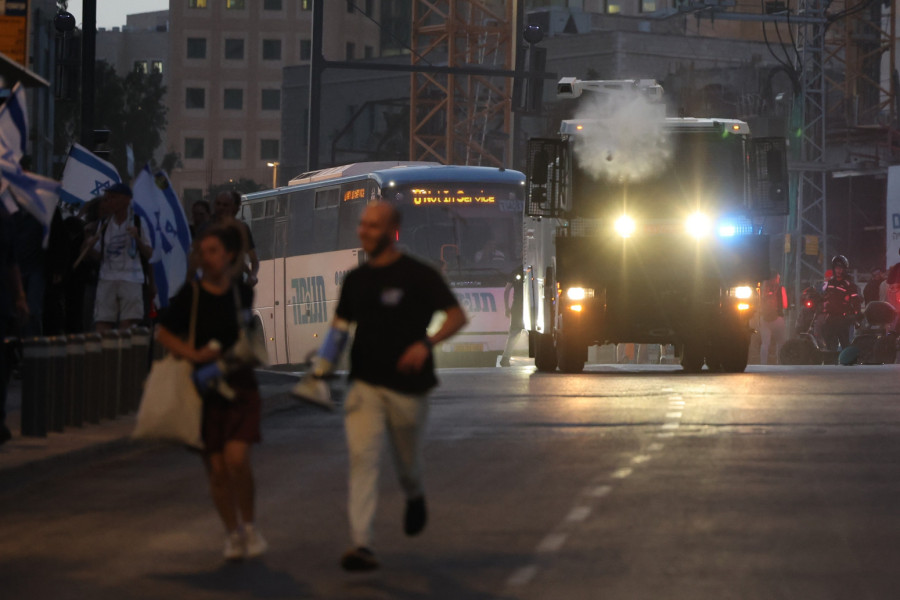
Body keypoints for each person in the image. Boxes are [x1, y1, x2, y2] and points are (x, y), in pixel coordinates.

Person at [312, 200, 467, 571]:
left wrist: (426, 344)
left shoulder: (419, 275)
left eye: (373, 226)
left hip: (408, 386)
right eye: (362, 224)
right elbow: (338, 328)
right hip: (364, 384)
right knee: (362, 460)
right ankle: (361, 544)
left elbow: (457, 316)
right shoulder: (356, 280)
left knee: (406, 463)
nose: (364, 232)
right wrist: (321, 369)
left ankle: (415, 494)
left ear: (391, 231)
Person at [155, 220, 267, 561]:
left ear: (229, 255)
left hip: (238, 384)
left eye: (214, 251)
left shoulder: (241, 293)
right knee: (217, 470)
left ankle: (250, 526)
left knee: (237, 460)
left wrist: (243, 353)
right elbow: (164, 332)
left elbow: (246, 334)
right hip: (203, 390)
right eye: (202, 252)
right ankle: (232, 533)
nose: (207, 257)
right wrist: (193, 355)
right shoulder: (190, 295)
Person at [82, 184, 152, 332]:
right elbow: (99, 256)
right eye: (108, 198)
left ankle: (124, 347)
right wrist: (89, 246)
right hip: (107, 278)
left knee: (128, 324)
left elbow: (150, 254)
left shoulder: (139, 222)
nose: (109, 201)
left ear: (126, 200)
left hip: (131, 279)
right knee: (102, 322)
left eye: (113, 197)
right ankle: (107, 347)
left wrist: (137, 239)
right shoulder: (104, 223)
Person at [0, 206, 29, 445]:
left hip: (2, 302)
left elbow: (11, 262)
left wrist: (19, 296)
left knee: (2, 363)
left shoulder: (4, 217)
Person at [213, 191, 259, 286]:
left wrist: (252, 275)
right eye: (219, 204)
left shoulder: (241, 228)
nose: (221, 208)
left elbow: (253, 259)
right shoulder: (208, 227)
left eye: (225, 205)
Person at [821, 255, 861, 352]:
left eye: (841, 268)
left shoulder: (849, 284)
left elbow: (856, 301)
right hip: (830, 318)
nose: (838, 270)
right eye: (836, 268)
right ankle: (831, 359)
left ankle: (846, 360)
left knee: (845, 345)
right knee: (829, 344)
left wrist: (856, 315)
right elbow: (824, 297)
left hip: (844, 319)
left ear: (844, 269)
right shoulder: (830, 283)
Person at [758, 271, 788, 364]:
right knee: (781, 342)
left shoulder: (762, 289)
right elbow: (785, 305)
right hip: (778, 318)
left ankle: (763, 364)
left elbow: (758, 304)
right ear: (776, 278)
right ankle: (780, 363)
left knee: (765, 343)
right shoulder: (781, 288)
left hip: (764, 318)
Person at [499, 266, 525, 366]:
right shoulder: (535, 269)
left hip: (518, 306)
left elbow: (506, 290)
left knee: (514, 332)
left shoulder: (516, 271)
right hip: (534, 305)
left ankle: (505, 358)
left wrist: (507, 308)